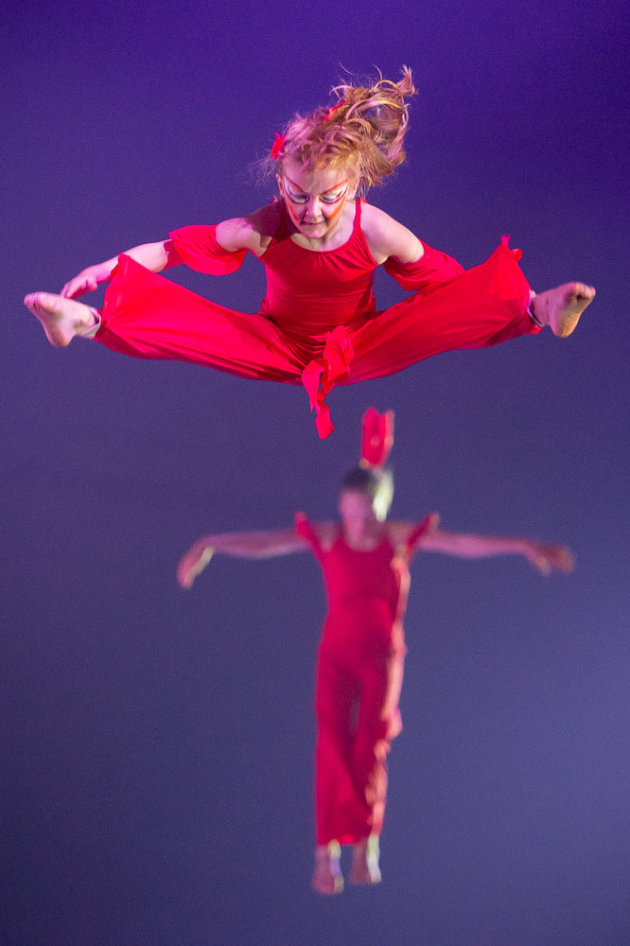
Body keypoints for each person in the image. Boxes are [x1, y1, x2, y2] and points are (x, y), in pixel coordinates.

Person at [24, 69, 595, 438]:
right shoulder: (264, 228)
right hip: (277, 343)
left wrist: (495, 301)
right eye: (297, 196)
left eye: (328, 198)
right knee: (203, 330)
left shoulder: (377, 230)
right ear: (280, 184)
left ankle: (536, 308)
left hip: (360, 343)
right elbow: (175, 249)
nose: (312, 212)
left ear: (356, 188)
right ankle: (86, 322)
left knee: (434, 316)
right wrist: (107, 267)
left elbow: (440, 281)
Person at [176, 409, 574, 893]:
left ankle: (367, 844)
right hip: (337, 657)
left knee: (370, 745)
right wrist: (211, 543)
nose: (358, 524)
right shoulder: (330, 536)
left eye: (366, 515)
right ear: (341, 509)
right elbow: (267, 542)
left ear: (382, 512)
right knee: (331, 746)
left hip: (383, 658)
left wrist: (523, 545)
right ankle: (326, 855)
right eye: (349, 513)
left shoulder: (397, 538)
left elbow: (463, 543)